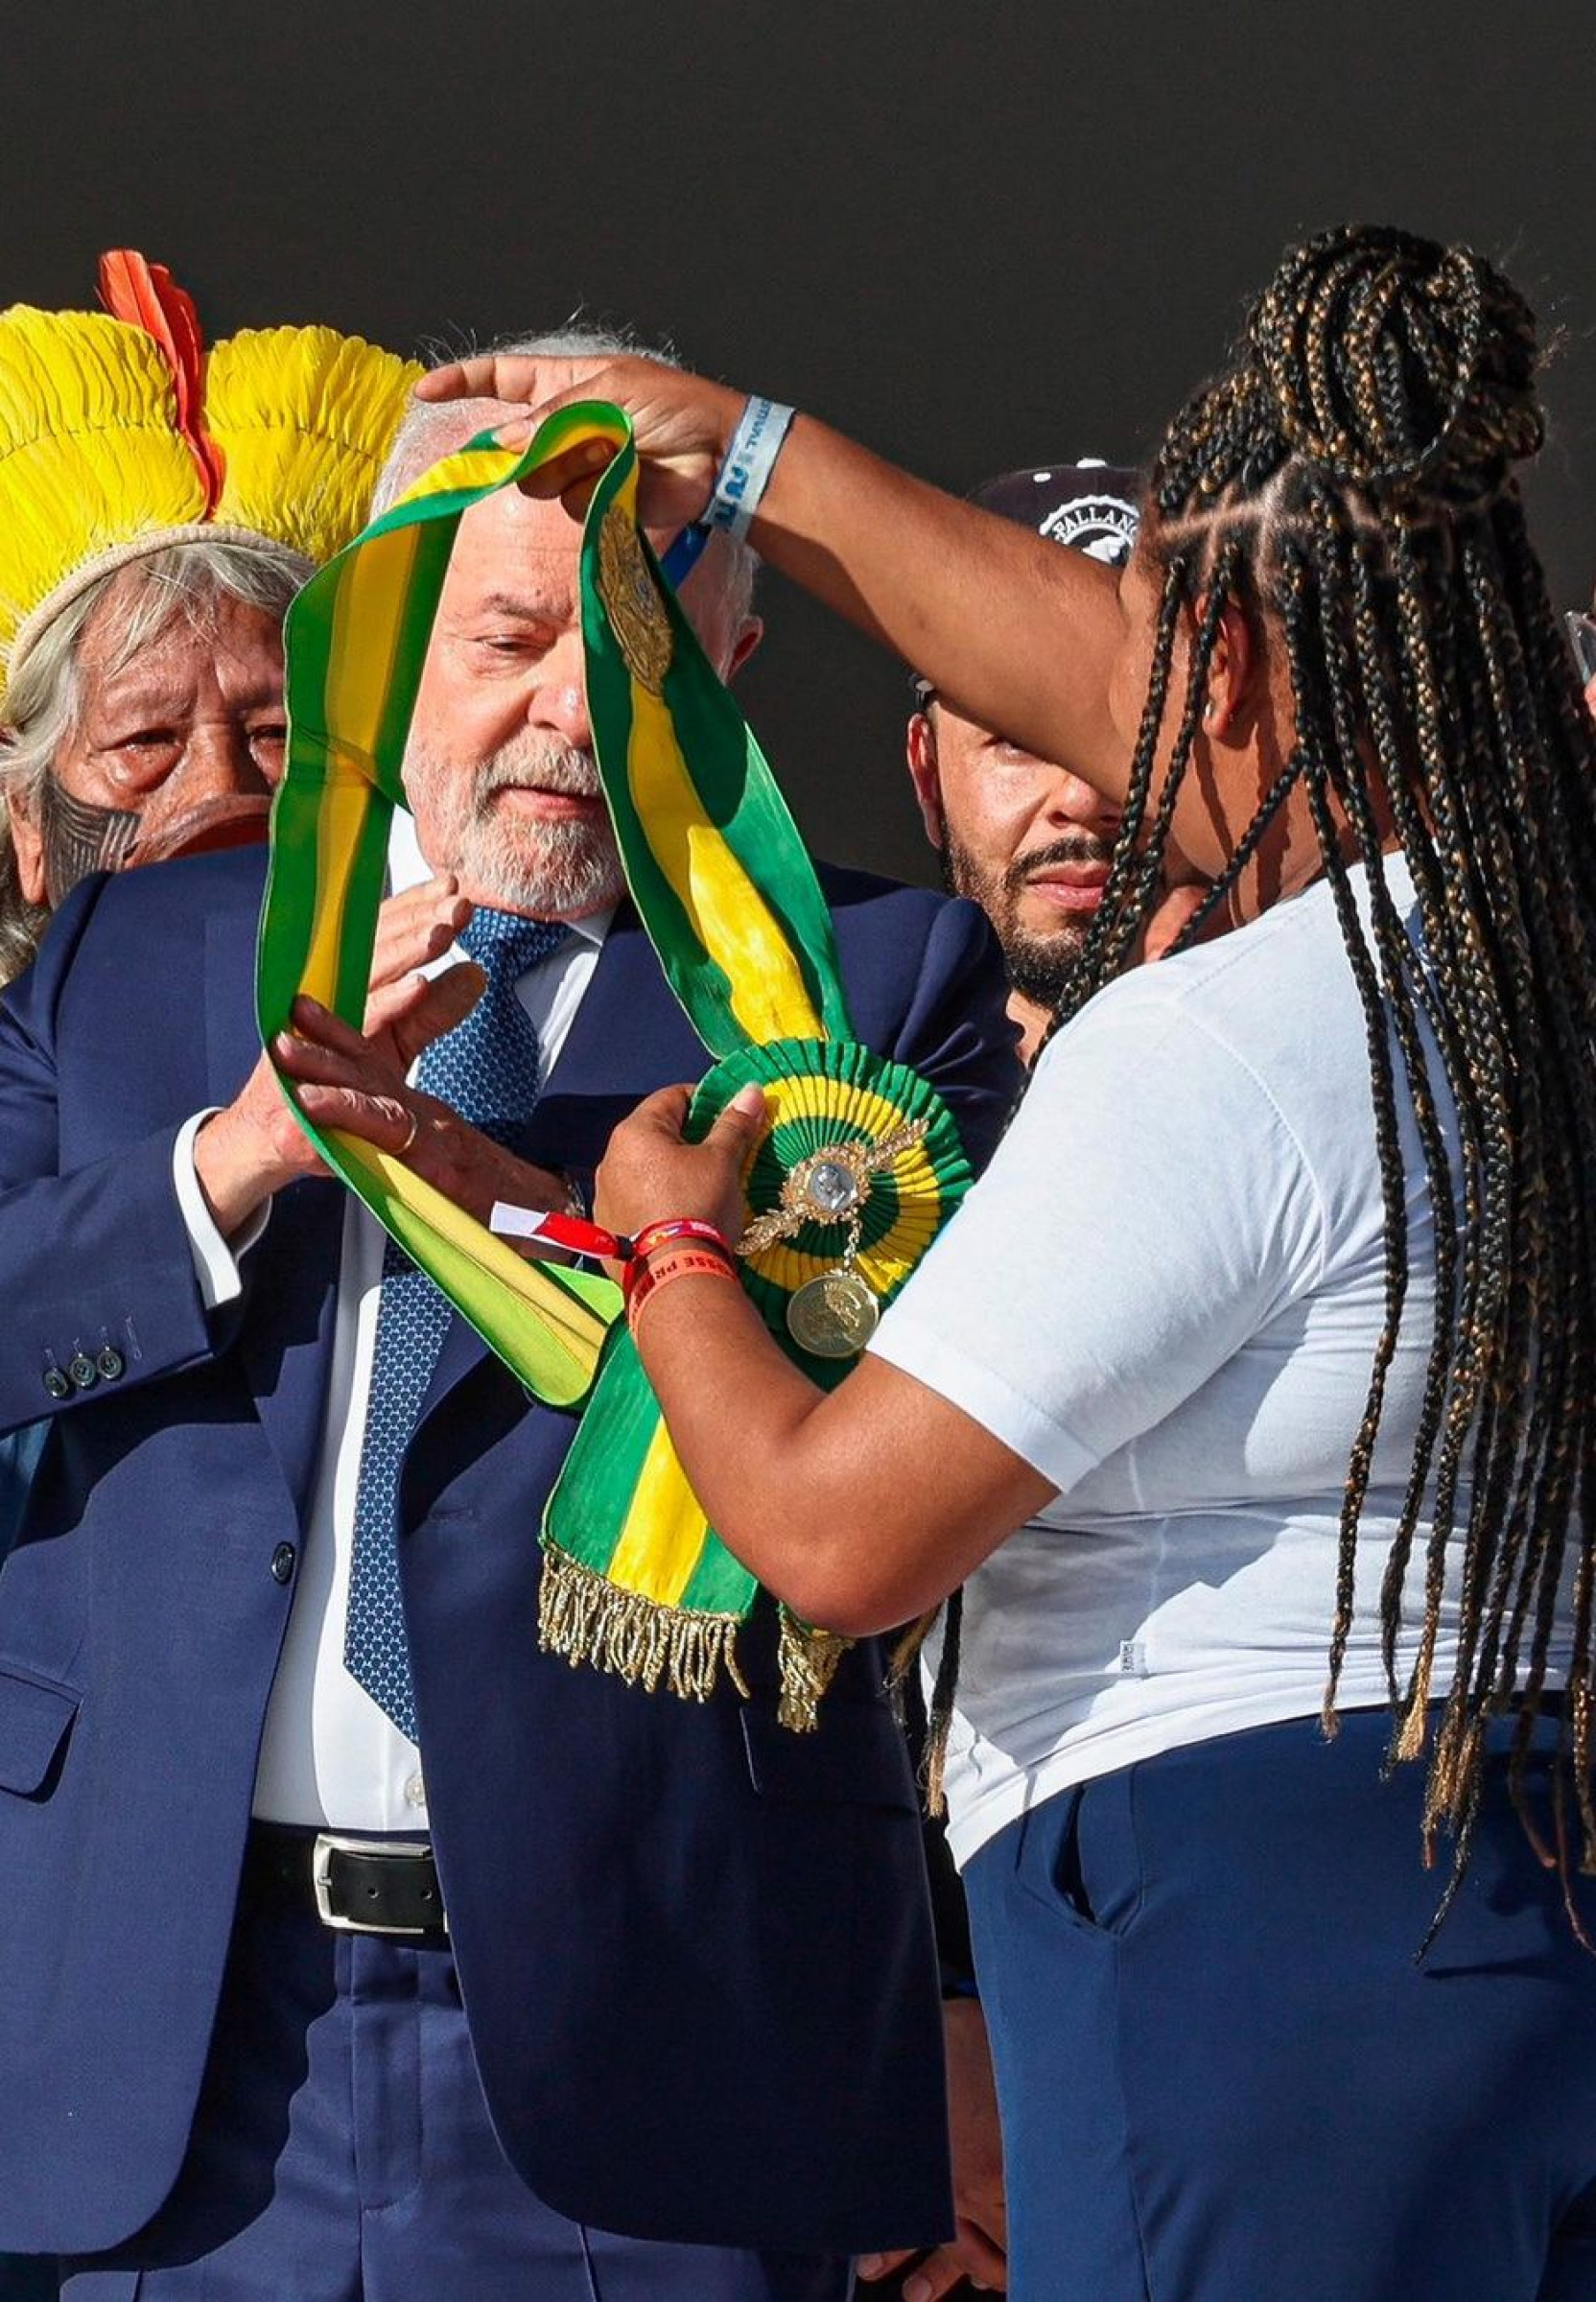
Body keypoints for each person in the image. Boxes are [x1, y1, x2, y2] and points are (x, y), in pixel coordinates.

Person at [426, 224, 1596, 2300]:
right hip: (1512, 1888)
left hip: (1234, 1938)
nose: (1079, 704)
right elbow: (1086, 656)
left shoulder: (1233, 1032)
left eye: (1139, 634)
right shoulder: (1527, 971)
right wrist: (748, 448)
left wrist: (676, 1243)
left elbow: (836, 1534)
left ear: (1223, 664)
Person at [0, 331, 1022, 2297]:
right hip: (185, 2049)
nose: (566, 716)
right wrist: (242, 1151)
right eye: (509, 643)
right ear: (375, 646)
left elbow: (897, 1452)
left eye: (634, 652)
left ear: (724, 665)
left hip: (651, 2039)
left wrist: (555, 1221)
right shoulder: (146, 946)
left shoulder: (868, 989)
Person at [0, 256, 418, 2302]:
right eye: (148, 737)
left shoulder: (433, 1123)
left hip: (330, 2083)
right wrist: (34, 1891)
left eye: (275, 729)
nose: (219, 780)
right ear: (31, 830)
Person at [904, 462, 1206, 1058]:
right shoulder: (816, 1104)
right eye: (1021, 736)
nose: (1083, 799)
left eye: (1141, 735)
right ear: (929, 776)